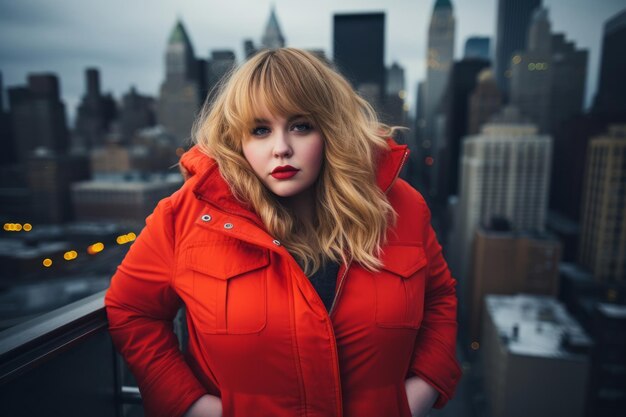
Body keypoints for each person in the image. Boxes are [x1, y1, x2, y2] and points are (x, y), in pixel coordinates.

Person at [105, 48, 461, 417]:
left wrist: (422, 389)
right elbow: (131, 310)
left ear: (331, 129)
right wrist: (191, 405)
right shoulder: (185, 217)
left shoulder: (400, 206)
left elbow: (438, 297)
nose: (281, 149)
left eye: (300, 126)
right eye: (260, 130)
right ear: (237, 140)